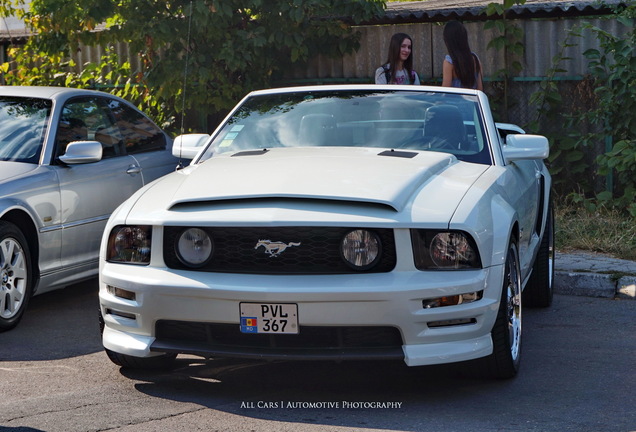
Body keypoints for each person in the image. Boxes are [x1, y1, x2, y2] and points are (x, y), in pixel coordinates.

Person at [441, 21, 483, 90]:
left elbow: (445, 90)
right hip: (473, 100)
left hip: (454, 100)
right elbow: (480, 89)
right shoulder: (475, 59)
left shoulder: (449, 62)